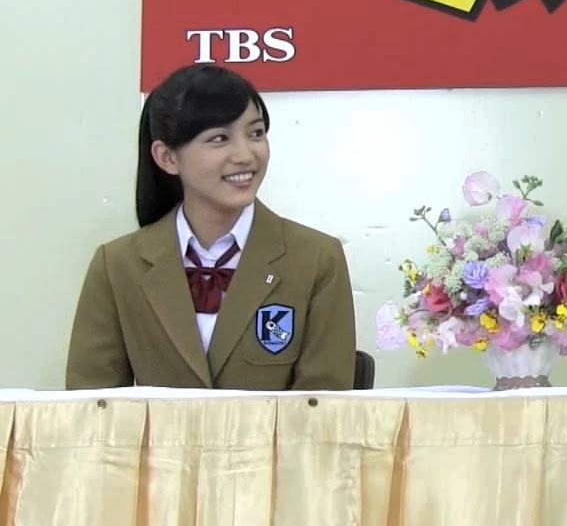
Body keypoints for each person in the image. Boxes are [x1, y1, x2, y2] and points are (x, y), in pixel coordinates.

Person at [66, 64, 357, 390]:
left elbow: (326, 408)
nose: (245, 155)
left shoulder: (316, 259)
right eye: (219, 138)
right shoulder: (117, 266)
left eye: (256, 133)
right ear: (167, 158)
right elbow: (91, 405)